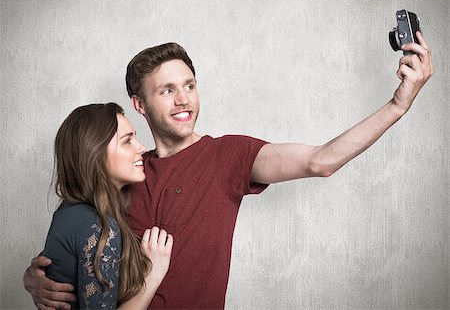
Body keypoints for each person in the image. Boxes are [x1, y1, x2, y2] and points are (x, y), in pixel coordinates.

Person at [24, 33, 433, 309]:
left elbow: (321, 160)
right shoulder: (125, 169)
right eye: (167, 90)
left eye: (190, 84)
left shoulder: (228, 156)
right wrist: (36, 279)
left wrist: (398, 105)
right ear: (139, 104)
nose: (184, 99)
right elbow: (77, 242)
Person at [33, 103, 173, 309]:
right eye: (127, 141)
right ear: (95, 153)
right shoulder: (97, 225)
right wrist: (153, 273)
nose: (141, 148)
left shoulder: (71, 211)